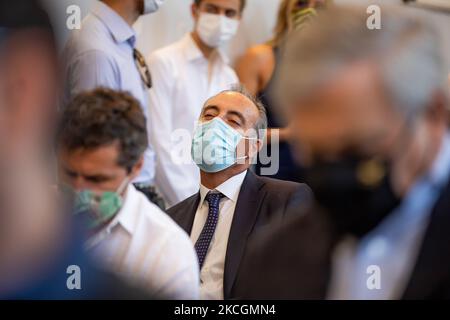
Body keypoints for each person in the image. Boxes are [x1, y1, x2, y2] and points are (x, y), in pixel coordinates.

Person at [237, 5, 450, 299]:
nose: (336, 171)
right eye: (316, 152)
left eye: (357, 147)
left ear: (434, 115)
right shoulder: (276, 256)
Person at [0, 0, 152, 299]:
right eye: (75, 175)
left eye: (95, 179)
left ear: (23, 87)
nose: (84, 186)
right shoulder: (94, 45)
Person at [167, 86, 311, 300]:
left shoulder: (286, 201)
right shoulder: (171, 219)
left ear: (254, 147)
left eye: (233, 121)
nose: (215, 124)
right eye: (209, 115)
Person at [57, 88, 200, 300]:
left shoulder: (166, 252)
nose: (79, 191)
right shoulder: (25, 225)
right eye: (69, 174)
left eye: (97, 179)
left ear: (136, 167)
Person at [62, 0, 165, 208]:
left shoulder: (116, 42)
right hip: (114, 199)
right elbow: (97, 145)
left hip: (131, 191)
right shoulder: (97, 51)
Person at [147, 0, 244, 207]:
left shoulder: (229, 76)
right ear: (195, 9)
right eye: (212, 9)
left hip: (214, 204)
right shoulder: (164, 63)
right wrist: (192, 204)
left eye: (229, 13)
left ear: (238, 20)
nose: (220, 18)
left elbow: (231, 149)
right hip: (167, 202)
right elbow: (157, 141)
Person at [236, 0, 330, 181]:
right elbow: (238, 132)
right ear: (286, 11)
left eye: (318, 7)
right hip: (274, 174)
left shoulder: (332, 65)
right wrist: (289, 133)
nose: (309, 12)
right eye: (301, 4)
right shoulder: (260, 58)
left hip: (320, 176)